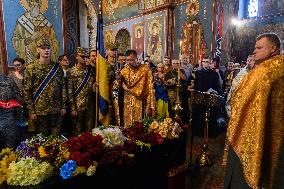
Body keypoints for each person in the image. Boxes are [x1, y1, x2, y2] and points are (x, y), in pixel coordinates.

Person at [224, 33, 284, 189]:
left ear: (273, 48)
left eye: (259, 47)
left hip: (251, 132)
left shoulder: (263, 72)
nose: (254, 51)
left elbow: (239, 99)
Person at [24, 38, 66, 136]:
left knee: (55, 138)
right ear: (38, 50)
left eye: (48, 48)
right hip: (39, 111)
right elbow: (27, 91)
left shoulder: (57, 67)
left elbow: (63, 88)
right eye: (43, 48)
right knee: (42, 140)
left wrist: (63, 106)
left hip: (56, 109)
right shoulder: (31, 68)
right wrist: (31, 111)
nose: (46, 50)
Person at [114, 50, 155, 127]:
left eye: (131, 60)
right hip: (127, 102)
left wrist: (149, 105)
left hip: (141, 101)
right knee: (128, 126)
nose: (129, 62)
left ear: (137, 58)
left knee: (139, 126)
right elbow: (117, 86)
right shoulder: (124, 70)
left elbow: (150, 88)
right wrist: (119, 78)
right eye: (128, 60)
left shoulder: (145, 69)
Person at [69, 47, 96, 135]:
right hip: (78, 106)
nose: (85, 59)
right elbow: (70, 92)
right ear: (77, 56)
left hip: (90, 106)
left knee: (89, 131)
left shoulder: (91, 70)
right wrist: (73, 108)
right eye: (82, 56)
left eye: (86, 57)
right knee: (78, 132)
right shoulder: (71, 72)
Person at [8, 57, 28, 143]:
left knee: (28, 124)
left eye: (19, 65)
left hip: (27, 103)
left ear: (23, 65)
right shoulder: (11, 76)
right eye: (15, 65)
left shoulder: (28, 74)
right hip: (16, 104)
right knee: (18, 125)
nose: (17, 67)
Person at [0, 73, 22, 149]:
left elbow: (17, 96)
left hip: (7, 115)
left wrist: (19, 115)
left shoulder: (8, 80)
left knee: (9, 144)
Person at [58, 54, 73, 137]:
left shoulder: (71, 71)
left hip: (70, 98)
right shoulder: (57, 72)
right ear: (60, 62)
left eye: (67, 60)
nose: (67, 61)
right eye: (64, 60)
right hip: (60, 99)